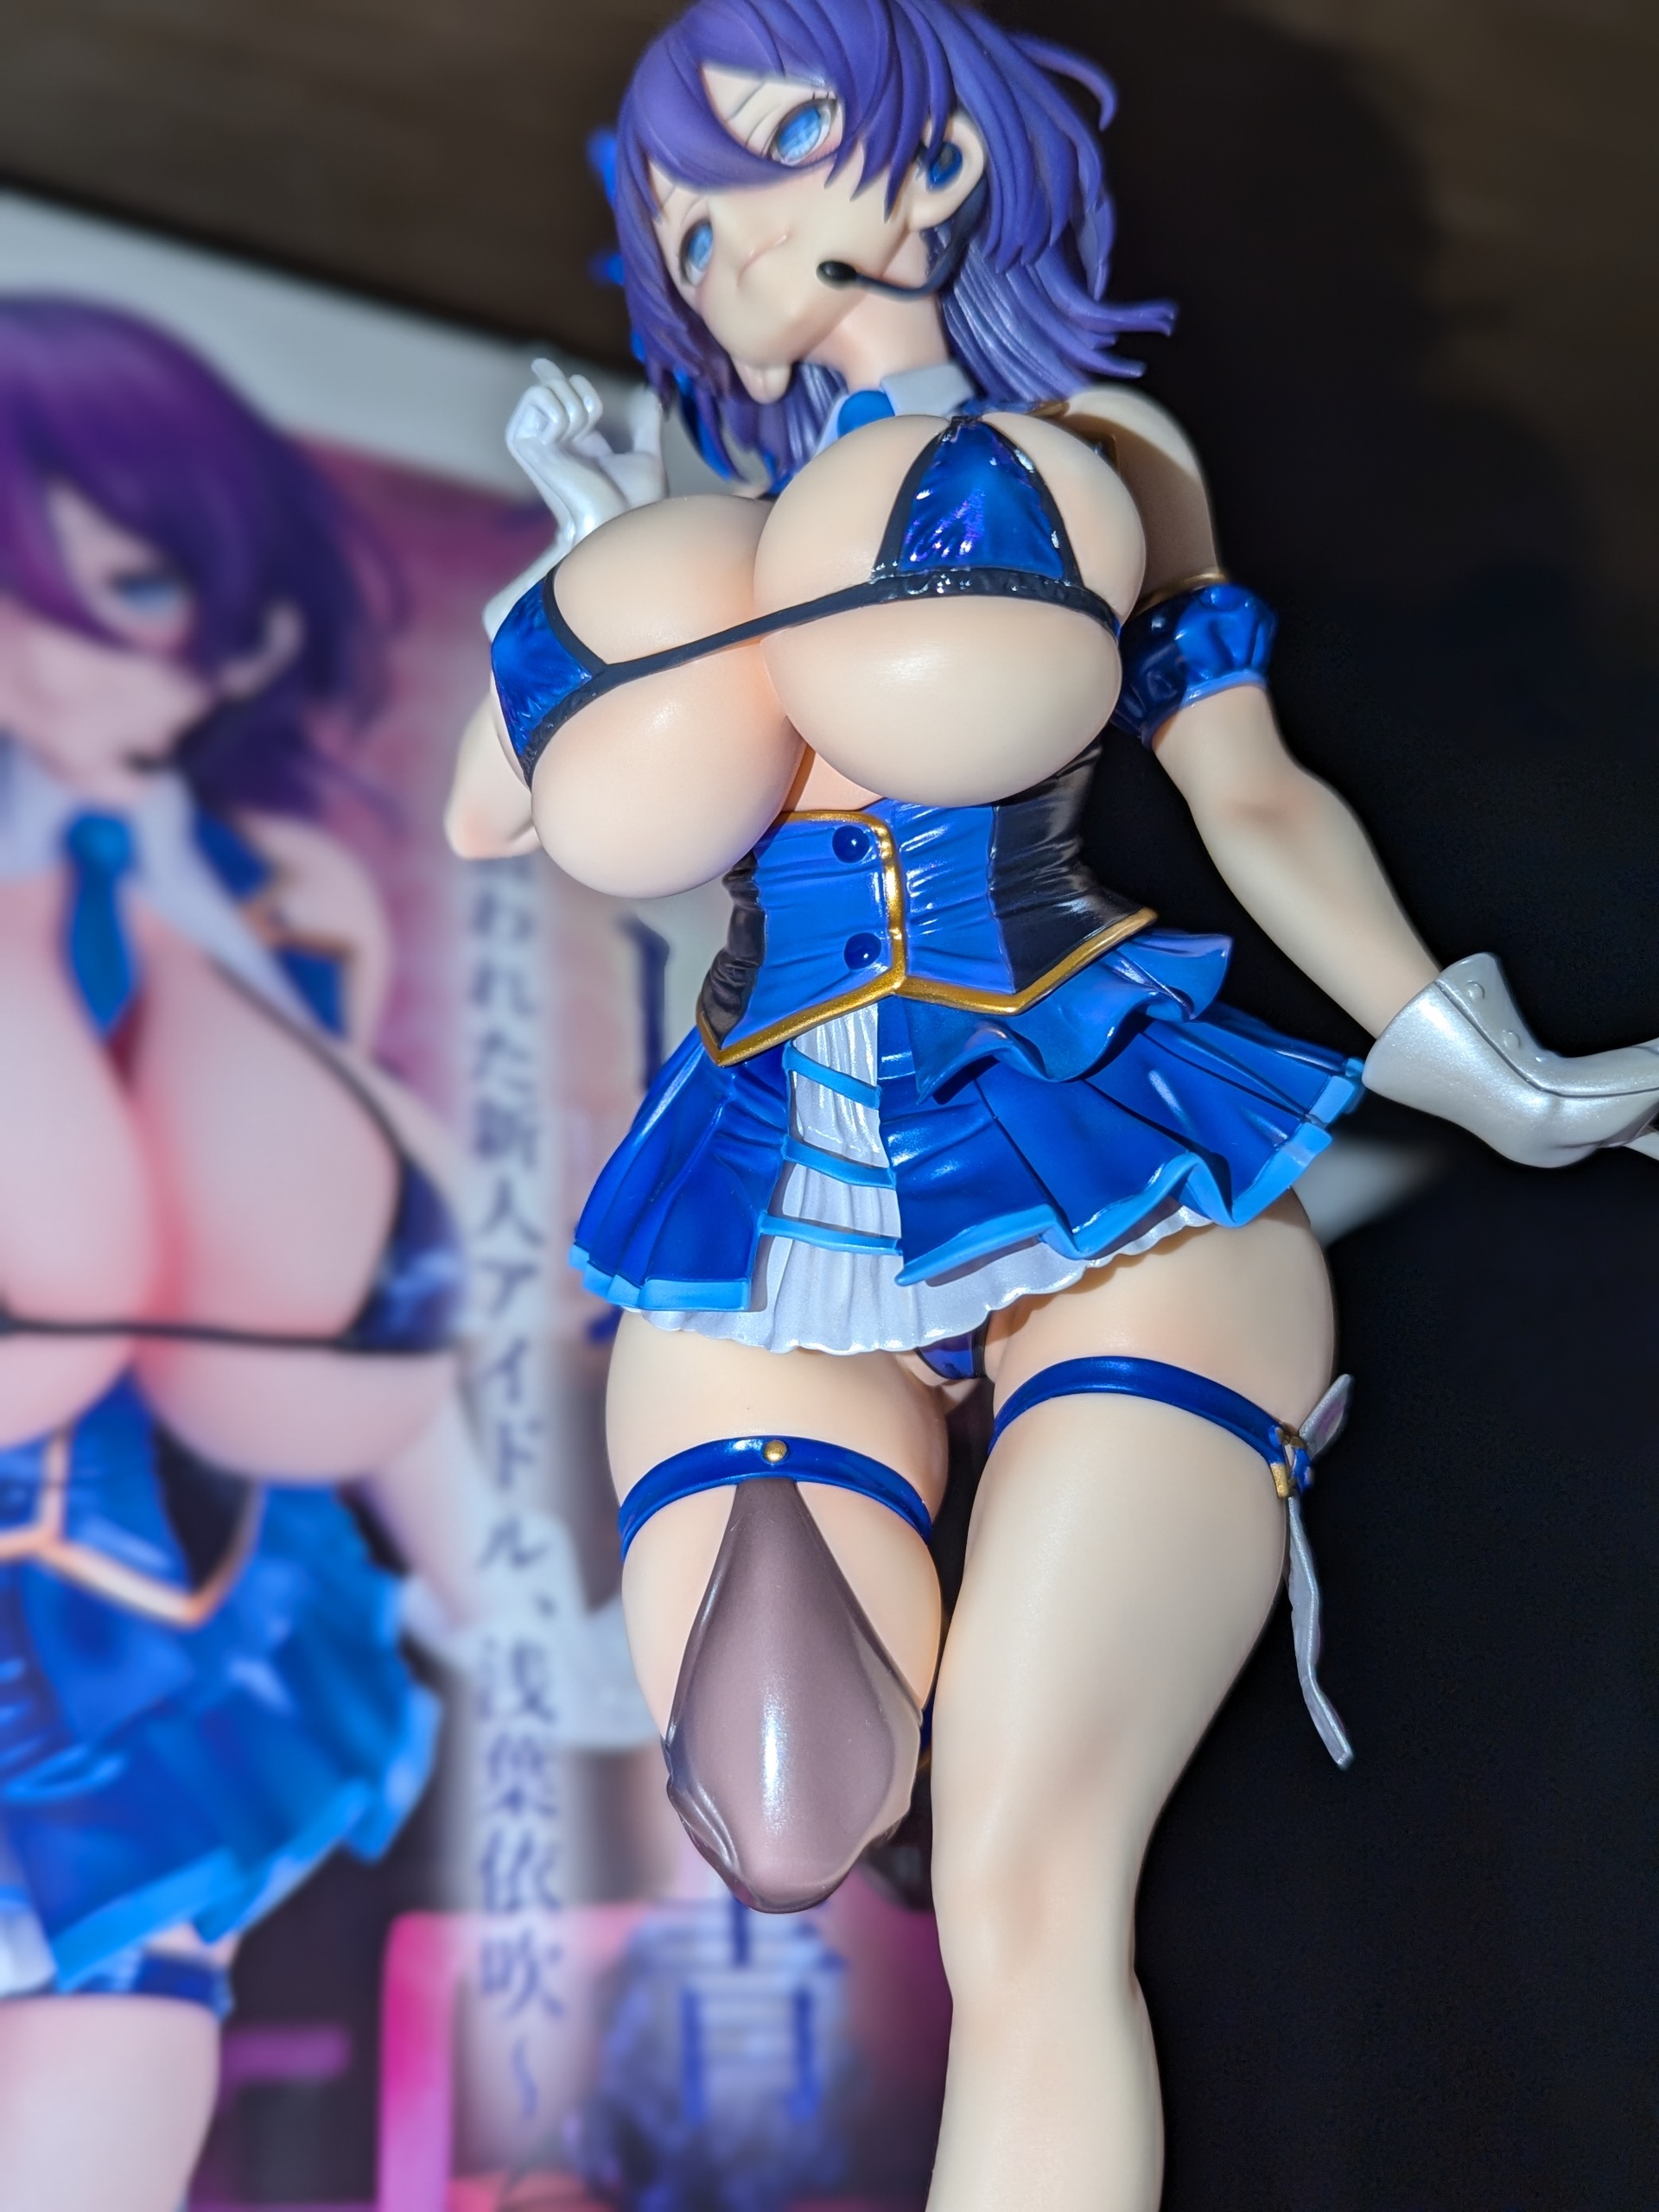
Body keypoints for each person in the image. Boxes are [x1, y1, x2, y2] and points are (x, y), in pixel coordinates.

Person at [446, 6, 1659, 2208]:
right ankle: (927, 1729)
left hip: (1113, 1152)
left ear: (934, 165)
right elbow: (486, 814)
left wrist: (1470, 1051)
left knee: (1035, 1883)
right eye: (682, 217)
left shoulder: (1095, 449)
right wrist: (591, 587)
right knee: (784, 1807)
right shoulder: (699, 527)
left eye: (775, 146)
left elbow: (1253, 793)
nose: (726, 237)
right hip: (771, 1189)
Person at [0, 296, 475, 2212]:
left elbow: (358, 1293)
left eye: (149, 581)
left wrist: (508, 1603)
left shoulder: (284, 897)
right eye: (81, 584)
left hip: (160, 1622)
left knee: (107, 2080)